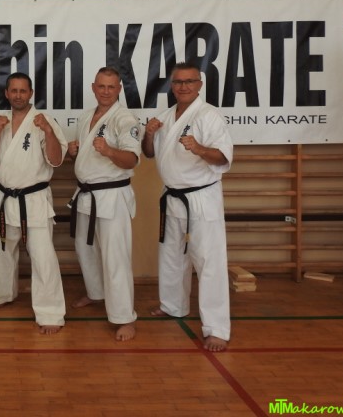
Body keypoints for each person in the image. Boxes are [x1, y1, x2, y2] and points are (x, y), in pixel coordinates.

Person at [141, 60, 234, 353]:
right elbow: (148, 154)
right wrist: (148, 134)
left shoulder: (209, 116)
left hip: (201, 198)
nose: (183, 87)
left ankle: (217, 328)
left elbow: (223, 157)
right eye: (178, 82)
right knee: (171, 256)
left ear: (199, 85)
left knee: (209, 262)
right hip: (173, 197)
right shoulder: (165, 117)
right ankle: (173, 305)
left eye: (189, 81)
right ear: (172, 85)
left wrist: (200, 149)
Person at [0, 72, 68, 334]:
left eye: (23, 91)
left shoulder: (44, 121)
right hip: (4, 197)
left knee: (43, 257)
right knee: (1, 251)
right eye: (14, 90)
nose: (18, 95)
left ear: (31, 93)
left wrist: (48, 132)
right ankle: (3, 295)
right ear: (7, 93)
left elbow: (56, 160)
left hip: (33, 199)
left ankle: (51, 313)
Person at [68, 67, 140, 341]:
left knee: (115, 258)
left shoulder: (125, 119)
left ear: (119, 89)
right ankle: (96, 293)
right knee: (85, 249)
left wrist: (109, 151)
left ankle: (125, 318)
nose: (106, 91)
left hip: (112, 197)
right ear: (93, 87)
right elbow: (85, 155)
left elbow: (132, 160)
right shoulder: (86, 116)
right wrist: (74, 151)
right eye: (101, 86)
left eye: (111, 87)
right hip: (87, 195)